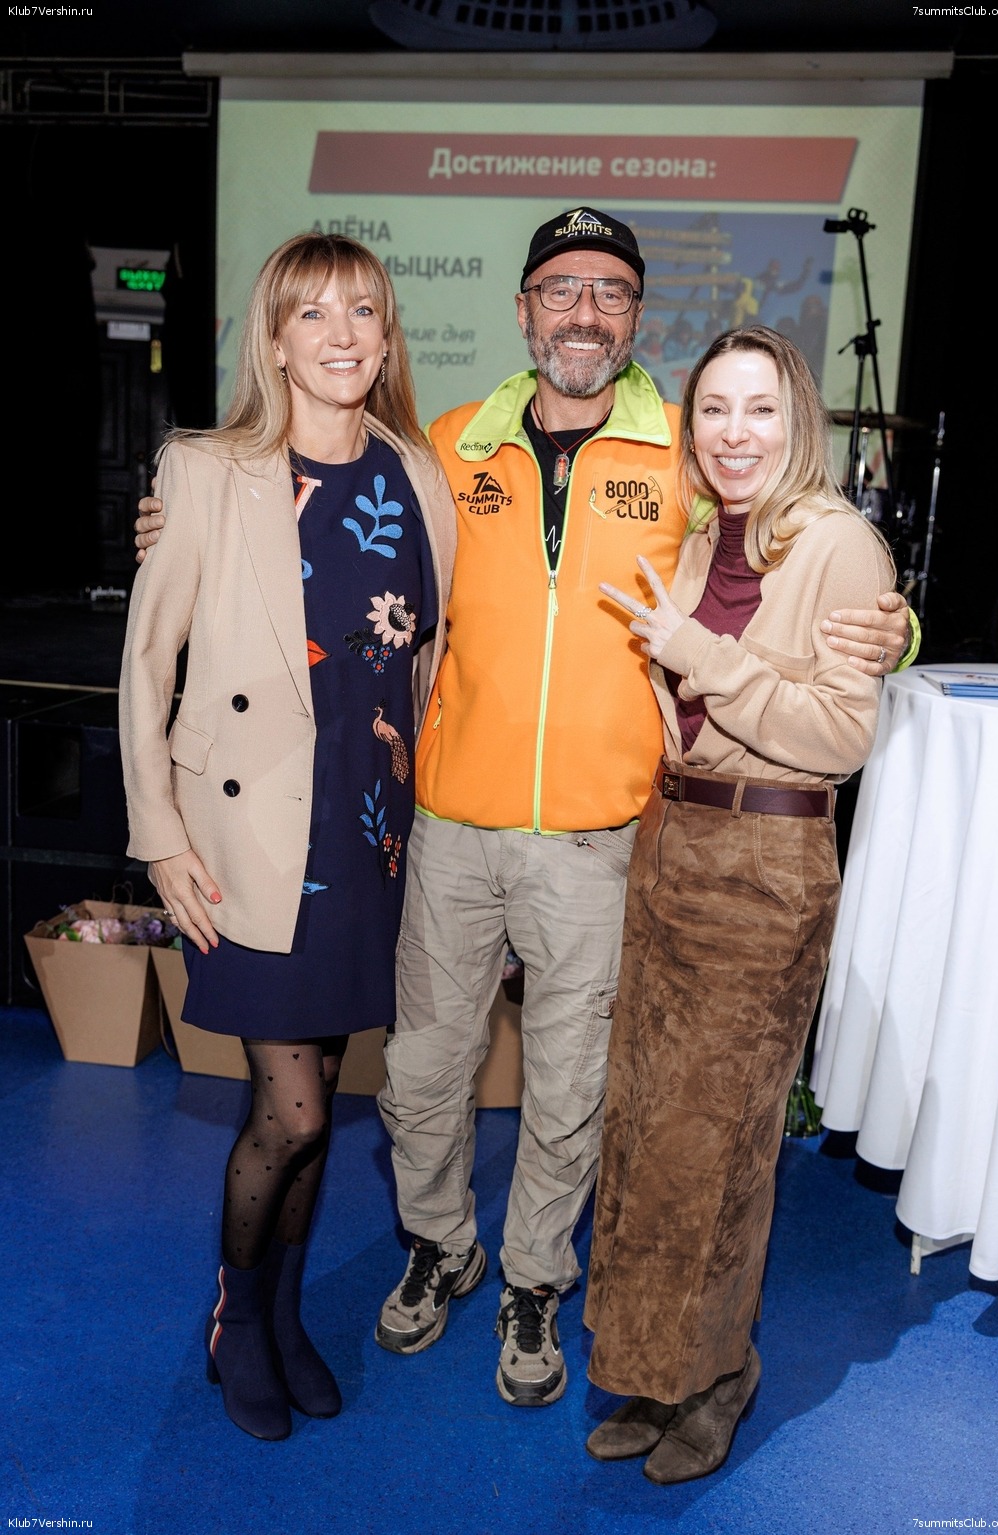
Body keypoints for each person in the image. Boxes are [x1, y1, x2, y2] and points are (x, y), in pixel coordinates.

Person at [133, 209, 914, 1411]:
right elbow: (294, 523)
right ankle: (438, 1243)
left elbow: (790, 544)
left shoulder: (687, 457)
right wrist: (172, 518)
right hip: (442, 826)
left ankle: (535, 1276)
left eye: (610, 292)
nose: (583, 313)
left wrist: (893, 623)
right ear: (523, 311)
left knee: (565, 1090)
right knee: (417, 1080)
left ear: (637, 316)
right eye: (559, 290)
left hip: (603, 836)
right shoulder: (448, 448)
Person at [119, 232, 456, 1441]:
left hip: (367, 833)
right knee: (297, 1111)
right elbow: (147, 660)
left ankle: (282, 1314)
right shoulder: (205, 470)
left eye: (362, 310)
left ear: (388, 334)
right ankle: (234, 1313)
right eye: (312, 313)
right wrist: (159, 835)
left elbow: (424, 657)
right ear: (272, 340)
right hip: (248, 839)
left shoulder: (418, 478)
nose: (341, 335)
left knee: (317, 1107)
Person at [584, 324, 894, 1482]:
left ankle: (715, 1375)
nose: (733, 432)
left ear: (796, 419)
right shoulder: (699, 531)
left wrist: (702, 656)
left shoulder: (837, 544)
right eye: (712, 409)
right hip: (671, 845)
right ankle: (650, 1366)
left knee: (717, 1142)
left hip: (765, 864)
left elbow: (841, 734)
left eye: (758, 408)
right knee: (646, 1125)